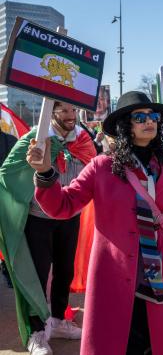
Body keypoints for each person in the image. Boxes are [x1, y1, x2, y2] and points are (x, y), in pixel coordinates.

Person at [26, 91, 163, 355]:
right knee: (122, 341)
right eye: (139, 117)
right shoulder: (101, 167)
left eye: (152, 116)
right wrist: (44, 174)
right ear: (125, 126)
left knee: (160, 342)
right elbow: (62, 206)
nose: (149, 121)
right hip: (115, 273)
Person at [0, 102, 97, 355]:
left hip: (70, 217)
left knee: (65, 271)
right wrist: (31, 173)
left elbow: (94, 169)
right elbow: (8, 172)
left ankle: (59, 320)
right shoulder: (36, 137)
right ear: (51, 112)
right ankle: (37, 332)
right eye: (64, 110)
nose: (70, 115)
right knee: (38, 275)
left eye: (73, 110)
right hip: (38, 218)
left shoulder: (84, 139)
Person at [0, 124, 17, 289]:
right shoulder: (11, 140)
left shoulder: (11, 140)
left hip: (7, 199)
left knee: (8, 238)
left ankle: (8, 269)